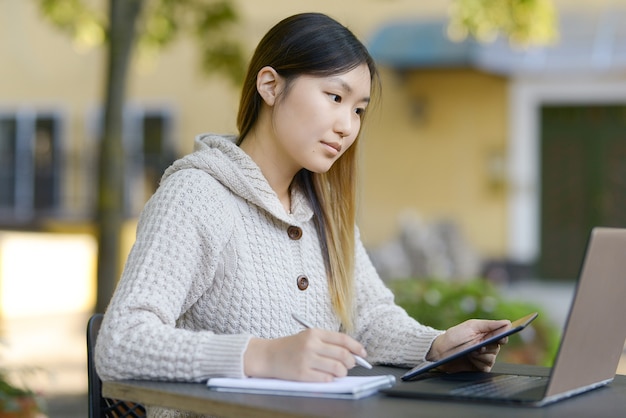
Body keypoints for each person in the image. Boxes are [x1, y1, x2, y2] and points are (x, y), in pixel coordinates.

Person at [95, 12, 510, 417]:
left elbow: (369, 319)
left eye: (359, 110)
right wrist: (263, 355)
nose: (348, 125)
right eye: (335, 97)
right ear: (271, 86)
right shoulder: (197, 196)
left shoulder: (323, 210)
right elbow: (120, 343)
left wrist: (436, 347)